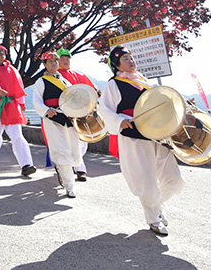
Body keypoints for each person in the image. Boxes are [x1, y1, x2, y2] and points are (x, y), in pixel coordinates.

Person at [99, 45, 184, 236]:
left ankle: (156, 205)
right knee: (145, 179)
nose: (131, 61)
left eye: (131, 58)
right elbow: (104, 109)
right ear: (116, 65)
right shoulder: (113, 85)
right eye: (126, 59)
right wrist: (119, 121)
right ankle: (153, 218)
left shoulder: (144, 82)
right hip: (133, 136)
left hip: (155, 134)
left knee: (174, 178)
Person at [0, 45, 37, 176]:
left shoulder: (13, 70)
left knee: (17, 135)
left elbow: (19, 87)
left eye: (3, 51)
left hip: (11, 104)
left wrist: (21, 103)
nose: (1, 53)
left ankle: (26, 164)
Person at [32, 52, 83, 198]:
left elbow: (73, 98)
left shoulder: (65, 82)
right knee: (62, 151)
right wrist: (46, 110)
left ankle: (62, 171)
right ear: (45, 65)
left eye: (55, 61)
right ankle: (70, 186)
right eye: (50, 62)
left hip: (68, 118)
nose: (54, 63)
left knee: (73, 150)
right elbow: (37, 101)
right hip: (52, 119)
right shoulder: (41, 81)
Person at [56, 48, 98, 182]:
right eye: (62, 58)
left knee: (83, 140)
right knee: (69, 140)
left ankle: (73, 164)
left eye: (67, 58)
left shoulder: (78, 75)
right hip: (64, 113)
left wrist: (97, 92)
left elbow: (92, 88)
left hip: (81, 111)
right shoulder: (56, 77)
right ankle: (79, 169)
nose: (65, 60)